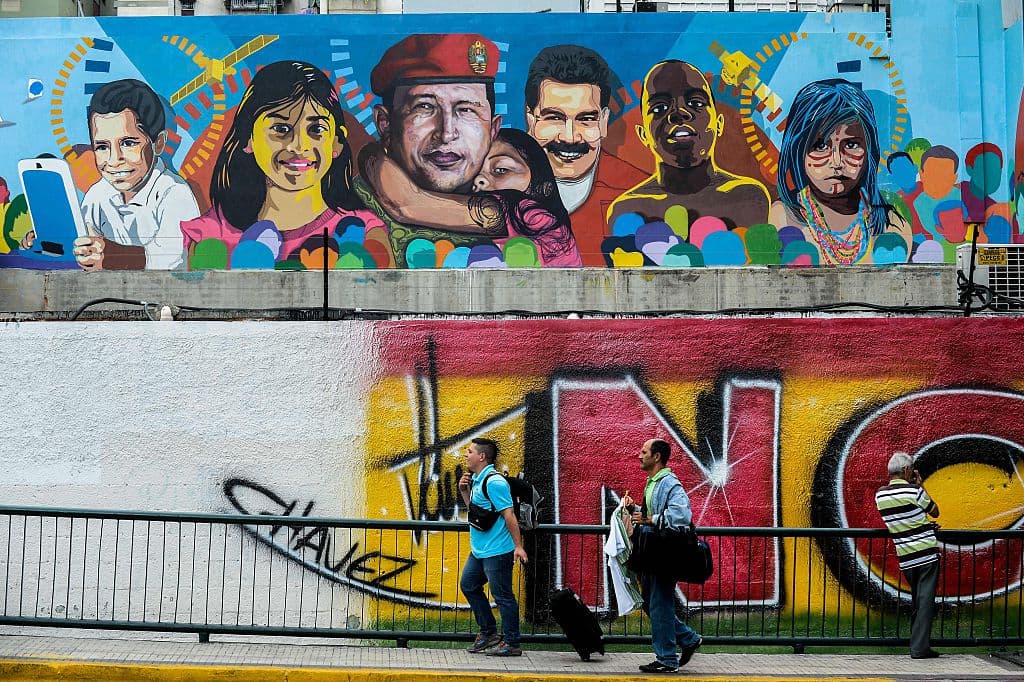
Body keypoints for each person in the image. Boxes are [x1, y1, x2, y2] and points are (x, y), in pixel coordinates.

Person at [180, 60, 389, 267]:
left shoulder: (365, 235)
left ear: (336, 142)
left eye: (316, 130)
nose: (299, 146)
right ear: (248, 139)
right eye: (281, 129)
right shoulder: (210, 237)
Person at [357, 34, 518, 267]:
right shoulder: (349, 208)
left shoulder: (524, 204)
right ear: (385, 123)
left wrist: (373, 157)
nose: (446, 133)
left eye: (466, 110)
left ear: (493, 129)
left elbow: (408, 204)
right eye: (424, 106)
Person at [25, 79, 200, 270]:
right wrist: (52, 240)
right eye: (102, 147)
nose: (114, 160)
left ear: (158, 143)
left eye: (128, 143)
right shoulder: (97, 195)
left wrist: (114, 256)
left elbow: (171, 258)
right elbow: (82, 240)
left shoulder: (174, 193)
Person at [361, 127, 581, 266]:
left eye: (501, 170)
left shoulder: (526, 213)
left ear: (541, 187)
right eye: (475, 173)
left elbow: (408, 204)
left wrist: (372, 152)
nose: (480, 180)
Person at [608, 60, 769, 234]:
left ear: (719, 123)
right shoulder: (627, 211)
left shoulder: (749, 198)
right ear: (643, 134)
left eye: (696, 103)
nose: (679, 113)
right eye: (660, 108)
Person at [524, 44, 647, 266]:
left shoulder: (640, 195)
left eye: (586, 119)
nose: (570, 137)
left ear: (604, 122)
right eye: (554, 118)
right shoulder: (495, 188)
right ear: (531, 120)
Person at [770, 79, 911, 265]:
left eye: (851, 145)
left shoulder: (892, 226)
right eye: (820, 146)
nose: (837, 162)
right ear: (798, 150)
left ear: (869, 149)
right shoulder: (784, 219)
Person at [621, 438, 702, 674]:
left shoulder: (669, 483)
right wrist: (635, 509)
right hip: (655, 554)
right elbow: (652, 514)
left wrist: (648, 519)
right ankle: (687, 639)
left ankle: (667, 658)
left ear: (656, 457)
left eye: (644, 451)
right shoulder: (653, 482)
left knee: (660, 604)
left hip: (665, 554)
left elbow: (681, 515)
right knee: (652, 602)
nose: (639, 455)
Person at [458, 437, 528, 657]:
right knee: (469, 584)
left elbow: (509, 514)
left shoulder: (494, 482)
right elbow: (478, 513)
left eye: (470, 451)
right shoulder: (478, 479)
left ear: (482, 456)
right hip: (480, 549)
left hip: (498, 550)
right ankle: (488, 632)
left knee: (503, 596)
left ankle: (512, 642)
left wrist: (518, 546)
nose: (466, 455)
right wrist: (465, 492)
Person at [875, 451, 941, 660]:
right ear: (906, 470)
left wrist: (922, 525)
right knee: (925, 603)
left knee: (917, 601)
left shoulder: (880, 495)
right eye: (911, 469)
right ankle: (919, 648)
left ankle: (918, 643)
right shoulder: (914, 492)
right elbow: (935, 510)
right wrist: (920, 485)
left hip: (905, 556)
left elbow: (903, 519)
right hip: (926, 554)